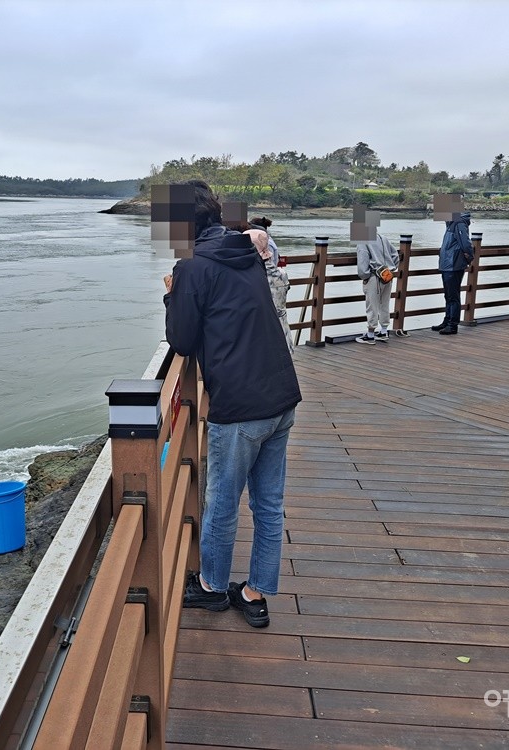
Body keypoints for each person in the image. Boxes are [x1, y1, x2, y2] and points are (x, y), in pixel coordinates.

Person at [163, 180, 302, 628]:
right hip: (280, 394)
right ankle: (256, 592)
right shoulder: (245, 250)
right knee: (268, 501)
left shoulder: (192, 267)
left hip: (240, 402)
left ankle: (211, 587)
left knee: (222, 501)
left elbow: (182, 339)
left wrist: (171, 294)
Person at [432, 212, 474, 335]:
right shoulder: (451, 223)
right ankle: (447, 320)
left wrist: (469, 257)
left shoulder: (458, 223)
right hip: (447, 264)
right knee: (448, 295)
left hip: (453, 264)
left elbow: (466, 243)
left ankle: (452, 324)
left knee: (453, 295)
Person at [355, 232, 400, 344]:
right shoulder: (383, 238)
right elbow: (395, 255)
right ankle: (384, 332)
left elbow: (362, 262)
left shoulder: (362, 241)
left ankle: (370, 335)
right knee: (385, 304)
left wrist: (365, 276)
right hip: (387, 275)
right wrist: (391, 268)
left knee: (372, 305)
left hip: (374, 276)